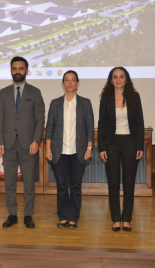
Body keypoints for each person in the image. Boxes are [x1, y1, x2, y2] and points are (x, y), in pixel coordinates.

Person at [0, 56, 45, 229]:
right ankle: (12, 215)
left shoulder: (35, 92)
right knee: (10, 182)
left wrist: (36, 141)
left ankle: (28, 215)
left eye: (21, 68)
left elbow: (40, 119)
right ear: (11, 71)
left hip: (28, 145)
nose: (18, 72)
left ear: (26, 71)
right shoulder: (3, 92)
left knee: (29, 183)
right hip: (7, 144)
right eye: (14, 69)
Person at [45, 70, 94, 229]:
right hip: (58, 152)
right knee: (61, 186)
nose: (70, 83)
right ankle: (63, 216)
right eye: (67, 80)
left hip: (78, 152)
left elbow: (89, 127)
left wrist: (89, 147)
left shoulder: (85, 103)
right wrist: (48, 148)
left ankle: (73, 217)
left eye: (73, 80)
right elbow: (50, 127)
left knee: (75, 186)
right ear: (63, 83)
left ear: (77, 83)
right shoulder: (55, 103)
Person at [98, 67, 144, 232]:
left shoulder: (135, 97)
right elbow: (101, 124)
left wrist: (140, 146)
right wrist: (101, 147)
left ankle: (127, 219)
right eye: (115, 77)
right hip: (111, 143)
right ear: (111, 80)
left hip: (130, 143)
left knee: (129, 182)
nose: (118, 80)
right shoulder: (105, 98)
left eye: (121, 77)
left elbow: (140, 123)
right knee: (113, 182)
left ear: (126, 79)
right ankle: (116, 219)